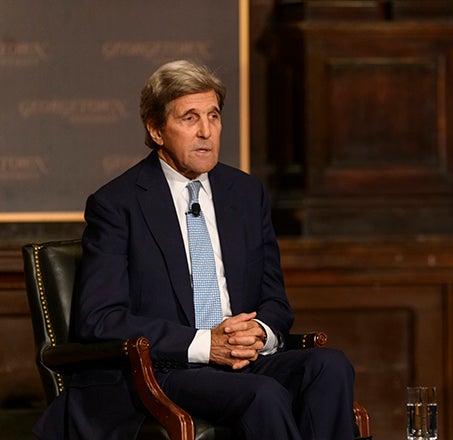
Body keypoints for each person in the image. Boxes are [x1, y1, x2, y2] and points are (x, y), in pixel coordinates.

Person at [33, 59, 356, 439]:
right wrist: (206, 344)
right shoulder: (118, 204)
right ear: (156, 130)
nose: (206, 131)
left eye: (214, 116)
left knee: (330, 366)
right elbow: (100, 318)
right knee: (263, 395)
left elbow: (276, 301)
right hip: (168, 370)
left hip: (243, 362)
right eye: (190, 118)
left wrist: (258, 331)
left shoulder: (247, 194)